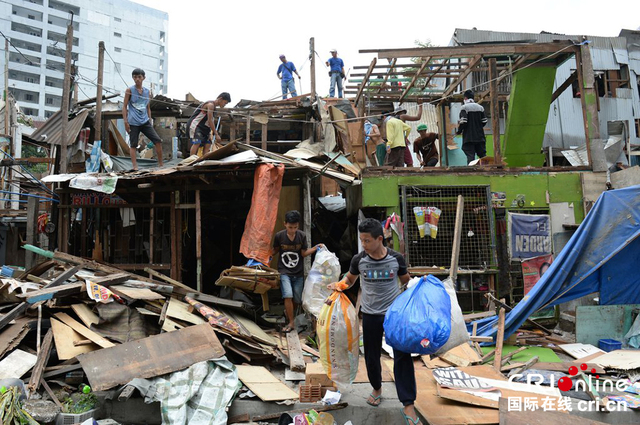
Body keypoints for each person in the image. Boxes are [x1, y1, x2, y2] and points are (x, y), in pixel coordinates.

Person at [328, 218, 421, 425]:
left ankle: (408, 404)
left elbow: (407, 282)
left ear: (380, 239)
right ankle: (377, 388)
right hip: (370, 315)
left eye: (368, 241)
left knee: (402, 357)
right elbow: (350, 280)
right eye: (362, 241)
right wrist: (338, 286)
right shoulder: (358, 260)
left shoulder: (396, 259)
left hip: (394, 316)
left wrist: (419, 288)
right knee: (371, 356)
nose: (364, 245)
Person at [272, 210, 324, 332]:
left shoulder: (301, 236)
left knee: (297, 299)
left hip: (298, 273)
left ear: (298, 226)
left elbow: (304, 253)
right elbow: (274, 251)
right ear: (285, 224)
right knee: (288, 295)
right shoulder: (279, 236)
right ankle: (291, 323)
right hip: (284, 271)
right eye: (290, 227)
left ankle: (287, 312)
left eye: (295, 227)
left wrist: (316, 248)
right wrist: (265, 256)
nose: (292, 230)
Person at [122, 68, 163, 171]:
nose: (137, 79)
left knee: (157, 141)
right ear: (133, 78)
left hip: (145, 122)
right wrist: (125, 122)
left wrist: (150, 120)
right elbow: (124, 106)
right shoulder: (129, 90)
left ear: (143, 78)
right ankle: (135, 166)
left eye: (139, 77)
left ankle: (161, 164)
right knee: (133, 145)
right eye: (135, 77)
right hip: (133, 122)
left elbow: (147, 107)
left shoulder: (146, 92)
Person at [456, 90, 488, 164]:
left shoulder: (464, 108)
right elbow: (484, 121)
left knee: (471, 156)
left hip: (469, 137)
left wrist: (459, 131)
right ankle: (486, 170)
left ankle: (471, 171)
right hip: (480, 136)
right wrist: (478, 127)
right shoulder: (480, 108)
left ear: (465, 98)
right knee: (482, 155)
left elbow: (463, 121)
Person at [396, 101, 424, 167]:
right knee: (409, 162)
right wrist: (420, 105)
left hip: (396, 142)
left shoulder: (393, 120)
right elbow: (418, 117)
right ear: (401, 112)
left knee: (399, 162)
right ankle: (410, 174)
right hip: (402, 142)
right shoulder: (402, 116)